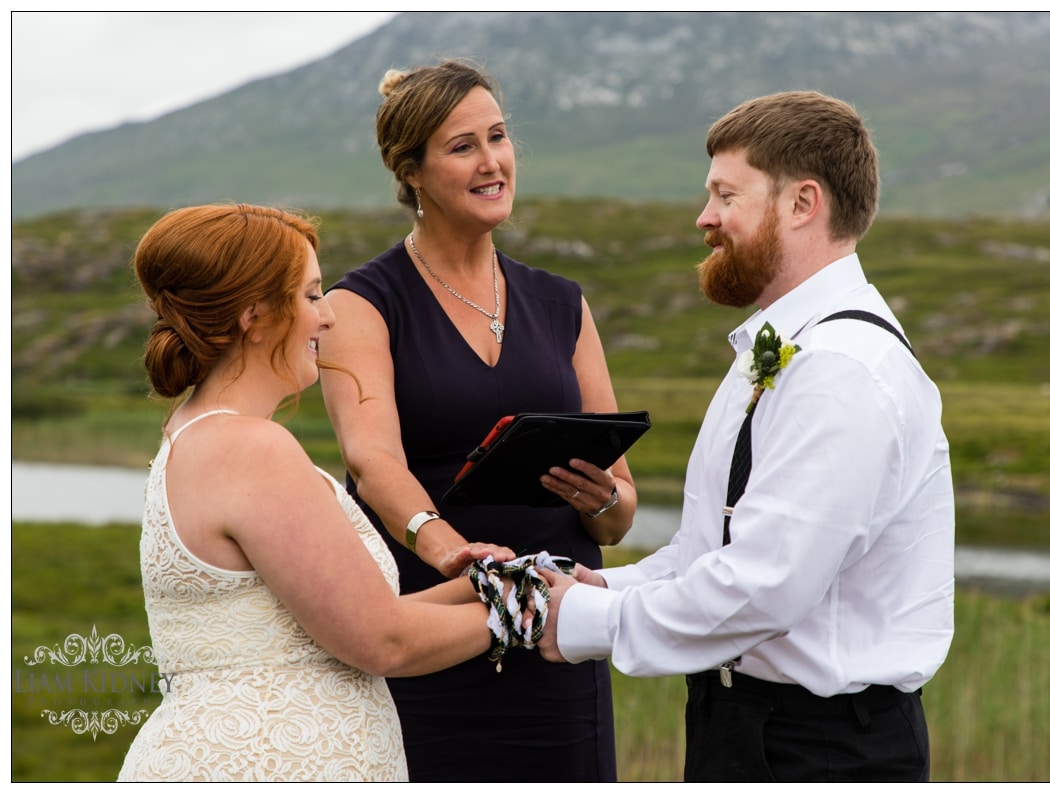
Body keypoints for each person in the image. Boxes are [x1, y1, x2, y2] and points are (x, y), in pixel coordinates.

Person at [538, 90, 955, 782]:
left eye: (725, 195)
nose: (705, 218)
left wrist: (586, 622)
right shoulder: (781, 347)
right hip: (746, 725)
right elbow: (714, 547)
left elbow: (765, 584)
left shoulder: (841, 371)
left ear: (802, 204)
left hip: (819, 748)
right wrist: (604, 589)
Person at [117, 203, 521, 782]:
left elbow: (342, 622)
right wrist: (533, 612)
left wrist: (483, 588)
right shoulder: (251, 447)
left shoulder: (198, 431)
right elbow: (384, 641)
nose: (328, 316)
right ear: (254, 314)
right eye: (310, 296)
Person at [318, 60, 636, 782]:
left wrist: (605, 500)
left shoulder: (562, 303)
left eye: (498, 137)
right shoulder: (364, 305)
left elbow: (620, 513)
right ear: (412, 172)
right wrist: (456, 555)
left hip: (556, 639)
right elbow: (373, 463)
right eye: (463, 146)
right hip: (426, 630)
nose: (492, 161)